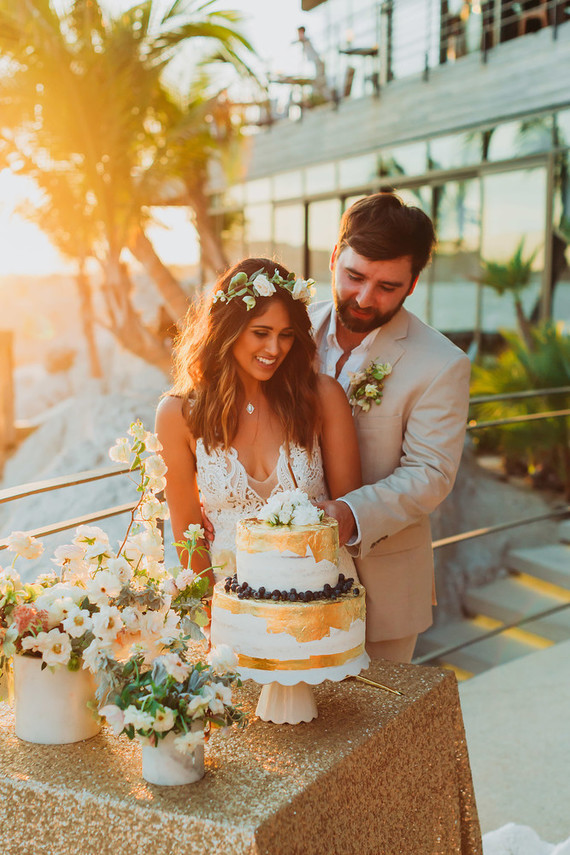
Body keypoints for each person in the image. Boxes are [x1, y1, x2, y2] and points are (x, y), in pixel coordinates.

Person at [310, 192, 471, 664]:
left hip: (379, 592)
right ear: (335, 256)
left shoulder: (441, 364)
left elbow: (430, 474)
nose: (364, 298)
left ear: (413, 284)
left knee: (374, 729)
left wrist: (349, 515)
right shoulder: (290, 328)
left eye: (387, 286)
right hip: (276, 579)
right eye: (354, 276)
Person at [155, 257, 361, 587]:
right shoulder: (178, 415)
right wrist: (212, 618)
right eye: (261, 333)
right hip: (235, 610)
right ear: (228, 330)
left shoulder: (322, 397)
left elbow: (351, 511)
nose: (274, 348)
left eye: (286, 334)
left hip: (322, 599)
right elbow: (189, 541)